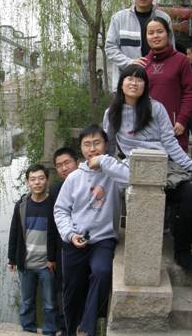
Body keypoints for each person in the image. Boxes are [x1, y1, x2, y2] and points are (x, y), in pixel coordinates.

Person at [103, 65, 192, 273]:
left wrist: (189, 164)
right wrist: (102, 172)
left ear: (146, 85)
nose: (134, 83)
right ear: (121, 83)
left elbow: (170, 142)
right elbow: (108, 147)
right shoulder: (111, 113)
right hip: (134, 167)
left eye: (139, 79)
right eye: (129, 78)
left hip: (162, 165)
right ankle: (108, 239)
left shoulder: (156, 108)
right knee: (109, 190)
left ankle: (191, 249)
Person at [54, 125, 129, 336]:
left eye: (97, 143)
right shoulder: (74, 178)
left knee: (102, 272)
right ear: (81, 148)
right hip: (75, 239)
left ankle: (87, 328)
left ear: (106, 145)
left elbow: (133, 177)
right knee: (71, 292)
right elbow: (60, 210)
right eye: (87, 144)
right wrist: (70, 234)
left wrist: (105, 162)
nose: (92, 148)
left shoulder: (114, 173)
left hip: (103, 240)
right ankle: (71, 331)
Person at [7, 164, 59, 335]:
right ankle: (28, 330)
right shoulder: (22, 205)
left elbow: (57, 235)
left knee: (49, 303)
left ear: (47, 180)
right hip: (26, 264)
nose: (37, 182)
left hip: (47, 265)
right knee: (27, 301)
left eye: (41, 178)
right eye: (33, 179)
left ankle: (49, 331)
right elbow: (14, 232)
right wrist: (12, 258)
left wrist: (53, 259)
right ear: (27, 182)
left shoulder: (54, 204)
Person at [105, 0, 175, 90]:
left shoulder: (164, 18)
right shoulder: (119, 18)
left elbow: (171, 49)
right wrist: (130, 62)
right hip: (127, 83)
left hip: (158, 82)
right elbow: (110, 48)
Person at [142, 16, 192, 153]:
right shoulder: (142, 63)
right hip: (147, 129)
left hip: (174, 127)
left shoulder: (181, 60)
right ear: (146, 37)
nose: (155, 36)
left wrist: (182, 120)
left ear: (168, 34)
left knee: (175, 163)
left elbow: (189, 93)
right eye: (151, 33)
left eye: (160, 31)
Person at [48, 147, 79, 335]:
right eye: (59, 165)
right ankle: (64, 327)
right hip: (62, 248)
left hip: (86, 246)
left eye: (67, 163)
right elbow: (52, 226)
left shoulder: (88, 183)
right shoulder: (55, 190)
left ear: (77, 162)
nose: (64, 168)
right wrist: (50, 257)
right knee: (62, 287)